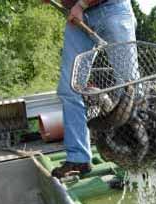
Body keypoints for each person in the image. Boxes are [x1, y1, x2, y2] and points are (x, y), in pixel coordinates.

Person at [43, 0, 137, 178]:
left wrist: (81, 5)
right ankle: (78, 159)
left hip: (112, 8)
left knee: (128, 87)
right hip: (77, 16)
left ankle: (137, 155)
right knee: (69, 88)